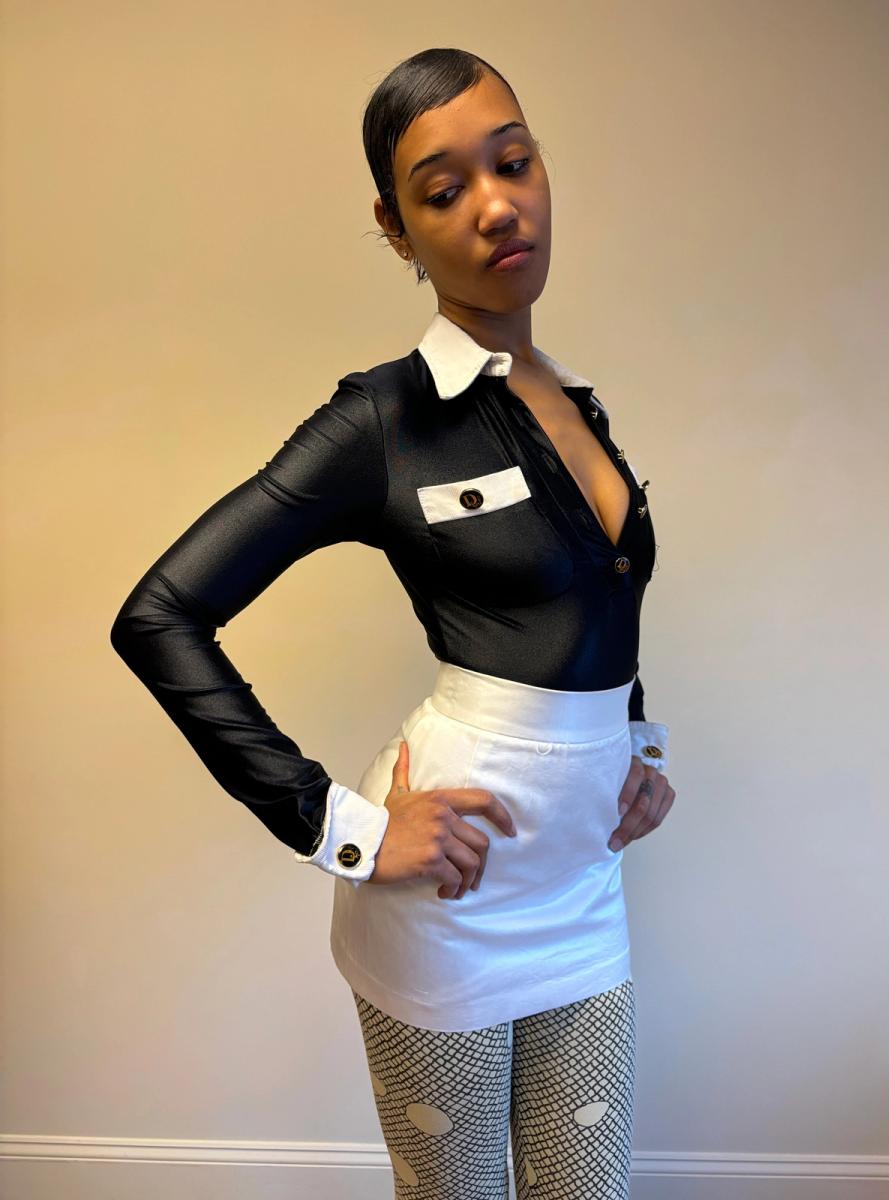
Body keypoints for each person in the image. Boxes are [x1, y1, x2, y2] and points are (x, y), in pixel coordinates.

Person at [110, 47, 676, 1200]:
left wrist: (638, 747)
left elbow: (599, 596)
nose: (495, 206)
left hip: (582, 888)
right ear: (395, 226)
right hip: (447, 903)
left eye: (512, 162)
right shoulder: (385, 420)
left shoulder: (578, 404)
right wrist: (345, 829)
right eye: (444, 188)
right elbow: (160, 615)